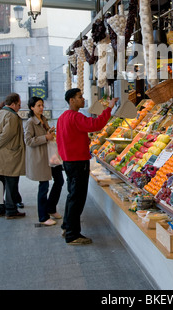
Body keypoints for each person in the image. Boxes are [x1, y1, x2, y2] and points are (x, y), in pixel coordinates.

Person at [56, 88, 117, 245]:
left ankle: (66, 226)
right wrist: (109, 108)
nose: (83, 99)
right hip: (77, 162)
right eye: (79, 97)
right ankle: (72, 235)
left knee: (72, 195)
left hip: (68, 162)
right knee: (77, 198)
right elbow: (96, 124)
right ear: (71, 100)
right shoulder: (75, 117)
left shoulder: (62, 117)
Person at [25, 96, 64, 226]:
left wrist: (50, 132)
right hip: (41, 159)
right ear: (32, 107)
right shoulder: (30, 122)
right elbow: (28, 141)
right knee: (44, 187)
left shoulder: (44, 119)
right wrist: (45, 137)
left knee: (59, 180)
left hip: (51, 157)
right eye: (38, 106)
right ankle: (43, 216)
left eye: (42, 105)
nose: (42, 108)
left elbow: (46, 135)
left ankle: (51, 208)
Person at [0, 93, 26, 219]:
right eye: (19, 104)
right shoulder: (12, 116)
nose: (20, 107)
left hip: (2, 155)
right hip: (10, 155)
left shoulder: (1, 113)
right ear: (13, 104)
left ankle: (0, 208)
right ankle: (10, 210)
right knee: (11, 183)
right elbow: (7, 134)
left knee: (0, 183)